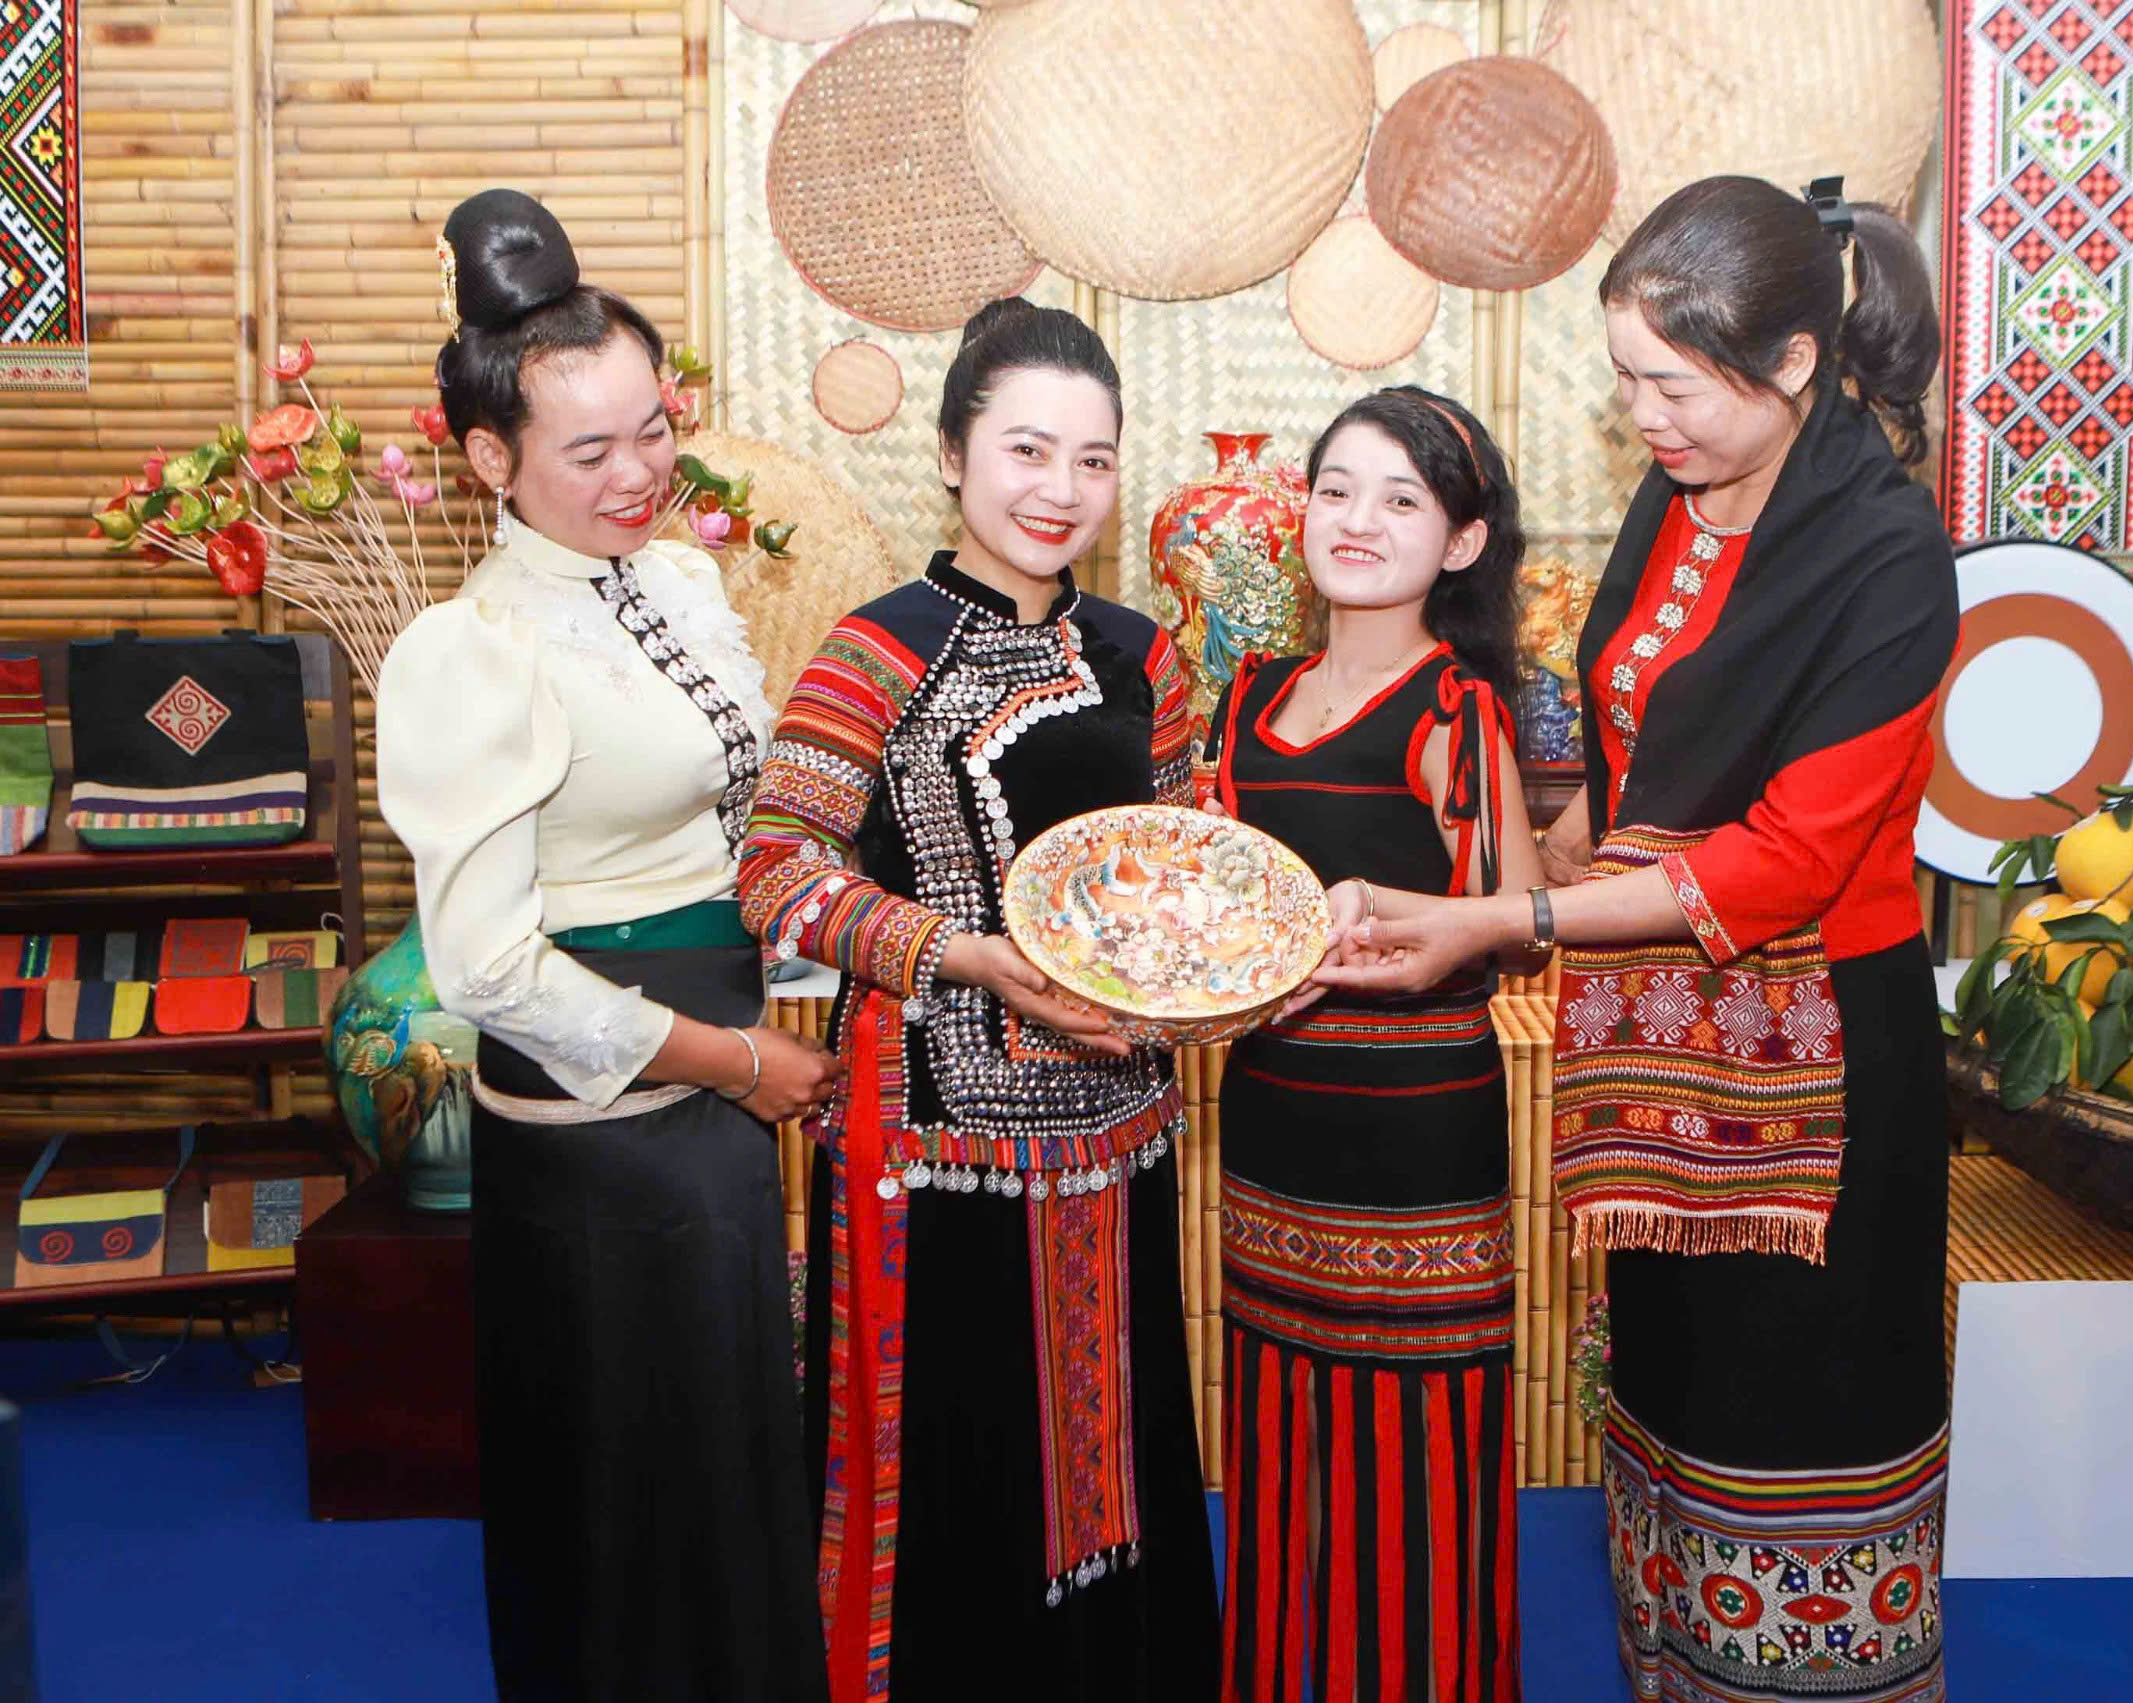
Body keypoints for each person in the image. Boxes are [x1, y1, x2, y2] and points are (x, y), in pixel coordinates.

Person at [1316, 177, 1959, 1703]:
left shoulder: (1886, 556)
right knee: (1673, 1386)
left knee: (1795, 1401)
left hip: (1819, 1062)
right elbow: (1631, 748)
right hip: (1665, 1045)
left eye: (1674, 384)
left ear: (1793, 362)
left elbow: (1787, 861)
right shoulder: (1683, 494)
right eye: (1626, 379)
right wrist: (1512, 859)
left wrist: (1508, 917)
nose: (1643, 416)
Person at [375, 188, 832, 1701]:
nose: (639, 473)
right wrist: (733, 1061)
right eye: (590, 451)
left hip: (718, 1060)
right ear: (489, 460)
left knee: (726, 1451)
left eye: (654, 430)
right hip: (611, 1104)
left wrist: (790, 1000)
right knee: (629, 1474)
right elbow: (484, 968)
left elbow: (741, 820)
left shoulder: (681, 578)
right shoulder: (471, 652)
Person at [736, 296, 1219, 1701]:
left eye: (1093, 458)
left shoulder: (1143, 655)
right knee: (960, 1470)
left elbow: (1183, 861)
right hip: (937, 1142)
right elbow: (775, 872)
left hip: (1118, 1131)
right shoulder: (873, 652)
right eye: (1026, 450)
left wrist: (1200, 966)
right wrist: (963, 954)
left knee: (1112, 1457)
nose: (1060, 489)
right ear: (952, 456)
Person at [1200, 388, 1542, 1703]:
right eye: (1335, 488)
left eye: (1403, 499)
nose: (1358, 519)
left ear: (1461, 542)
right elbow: (1219, 902)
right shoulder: (1247, 698)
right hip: (1271, 1117)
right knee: (1279, 1426)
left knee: (1419, 1440)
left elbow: (1515, 925)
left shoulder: (1457, 708)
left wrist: (1373, 915)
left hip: (1416, 1138)